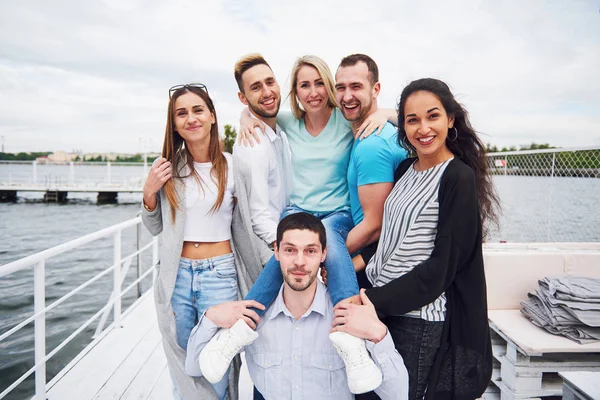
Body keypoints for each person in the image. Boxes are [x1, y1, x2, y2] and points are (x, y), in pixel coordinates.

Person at [202, 55, 394, 394]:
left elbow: (384, 112)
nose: (314, 91)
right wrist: (245, 116)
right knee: (284, 255)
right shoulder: (291, 123)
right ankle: (242, 329)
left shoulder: (345, 122)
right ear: (295, 92)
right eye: (304, 85)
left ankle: (350, 339)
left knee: (332, 249)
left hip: (336, 215)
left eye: (320, 83)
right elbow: (261, 112)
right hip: (297, 213)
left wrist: (384, 112)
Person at [340, 78, 500, 399]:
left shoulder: (457, 177)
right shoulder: (404, 169)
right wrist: (349, 266)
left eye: (433, 116)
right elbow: (391, 240)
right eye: (412, 119)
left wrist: (372, 300)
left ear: (450, 119)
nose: (423, 128)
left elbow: (441, 269)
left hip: (416, 320)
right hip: (377, 304)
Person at [186, 213, 409, 400]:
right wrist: (210, 316)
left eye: (310, 251)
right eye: (290, 250)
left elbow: (397, 395)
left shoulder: (350, 318)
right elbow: (194, 370)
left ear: (323, 254)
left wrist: (379, 335)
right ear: (277, 252)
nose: (300, 262)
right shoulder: (250, 318)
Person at [141, 84, 243, 400]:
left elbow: (248, 227)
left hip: (221, 275)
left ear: (212, 115)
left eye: (198, 110)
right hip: (178, 276)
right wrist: (148, 193)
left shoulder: (234, 166)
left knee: (217, 366)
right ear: (174, 124)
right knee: (184, 366)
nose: (191, 118)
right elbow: (154, 226)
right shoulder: (168, 169)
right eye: (181, 113)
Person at [333, 54, 408, 288]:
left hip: (373, 269)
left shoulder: (372, 144)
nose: (347, 96)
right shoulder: (381, 131)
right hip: (374, 258)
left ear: (375, 89)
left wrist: (321, 257)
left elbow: (374, 225)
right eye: (340, 88)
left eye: (356, 87)